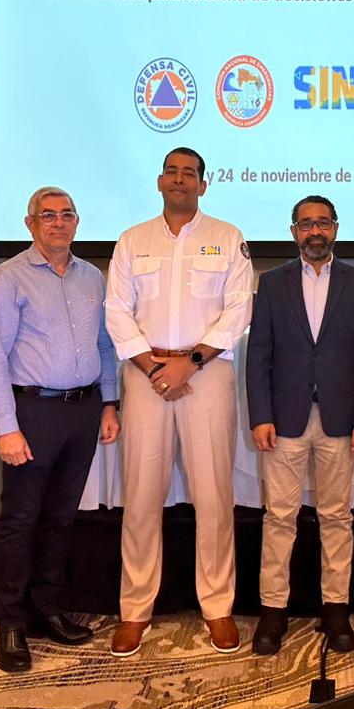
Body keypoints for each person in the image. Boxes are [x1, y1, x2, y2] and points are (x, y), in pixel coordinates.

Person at [104, 147, 253, 656]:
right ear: (159, 181)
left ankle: (218, 607)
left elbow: (238, 310)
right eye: (172, 171)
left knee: (213, 496)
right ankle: (135, 610)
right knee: (141, 496)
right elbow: (116, 311)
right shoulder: (132, 240)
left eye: (190, 173)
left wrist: (189, 362)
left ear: (203, 185)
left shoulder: (228, 237)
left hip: (205, 375)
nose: (180, 179)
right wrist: (154, 367)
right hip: (146, 376)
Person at [0, 187, 121, 673]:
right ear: (30, 223)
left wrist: (109, 403)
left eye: (66, 215)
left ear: (77, 222)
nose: (58, 223)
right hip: (32, 413)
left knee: (61, 518)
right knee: (20, 520)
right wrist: (6, 427)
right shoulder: (9, 277)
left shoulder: (92, 277)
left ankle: (48, 608)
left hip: (82, 412)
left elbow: (105, 347)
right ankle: (11, 623)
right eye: (48, 215)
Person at [245, 195, 354, 654]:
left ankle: (336, 610)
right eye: (306, 224)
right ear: (293, 232)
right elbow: (259, 355)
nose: (315, 231)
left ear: (336, 228)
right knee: (279, 518)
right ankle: (273, 612)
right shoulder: (273, 282)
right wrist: (260, 416)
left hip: (341, 421)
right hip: (283, 420)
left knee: (337, 518)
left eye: (323, 223)